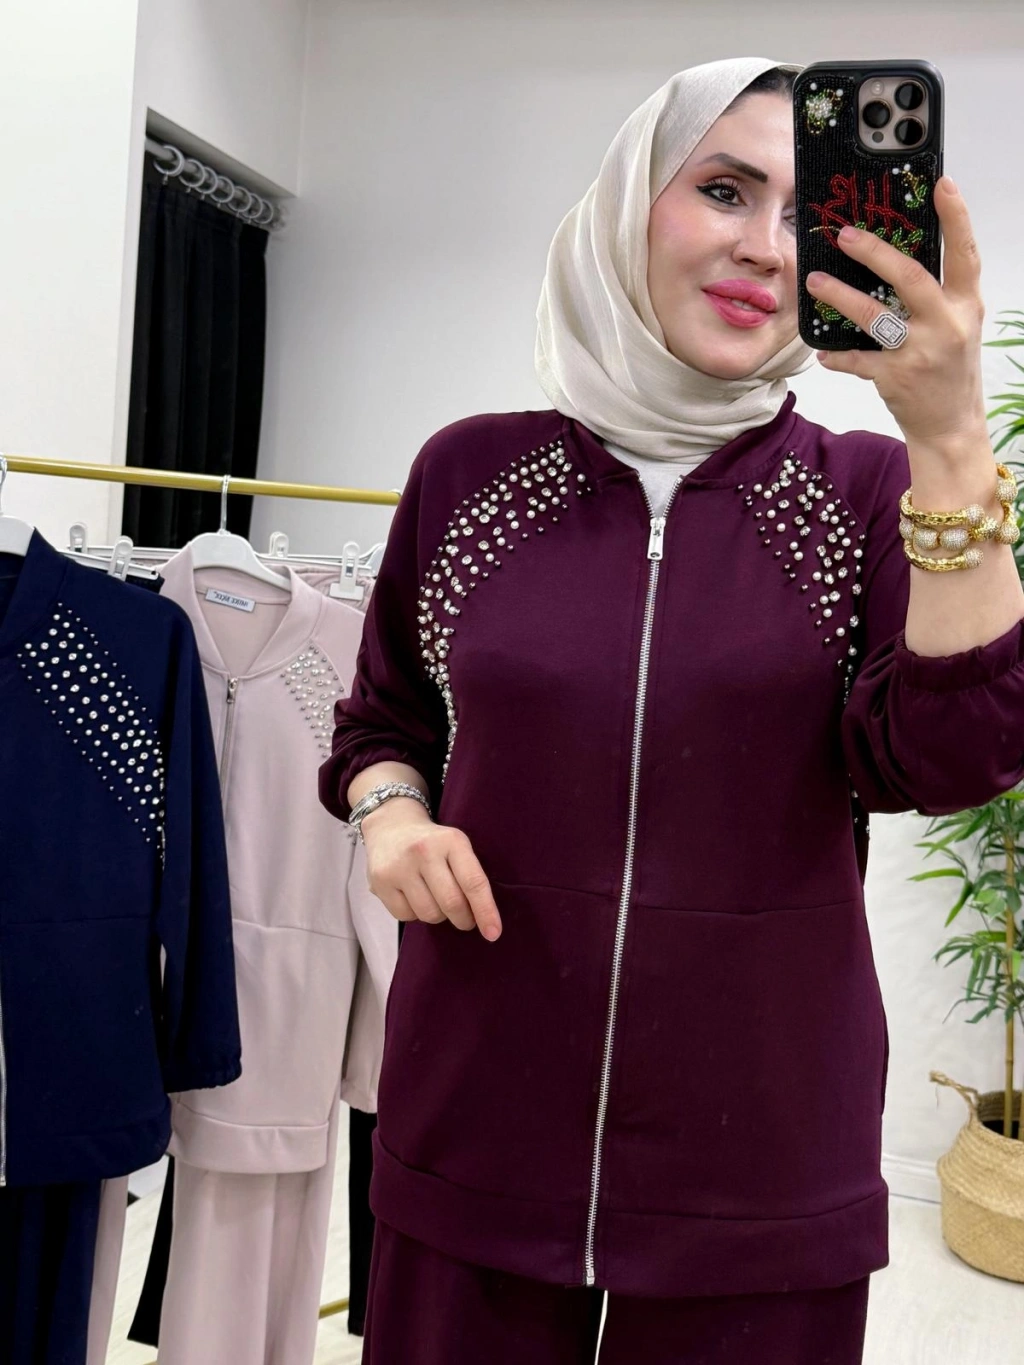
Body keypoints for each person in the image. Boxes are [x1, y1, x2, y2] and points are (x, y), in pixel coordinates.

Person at [318, 56, 1024, 1364]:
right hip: (475, 1119)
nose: (766, 246)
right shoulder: (469, 474)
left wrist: (949, 442)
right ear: (629, 202)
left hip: (761, 1160)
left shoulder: (865, 491)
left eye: (806, 214)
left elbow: (949, 759)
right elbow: (382, 724)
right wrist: (391, 817)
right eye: (725, 190)